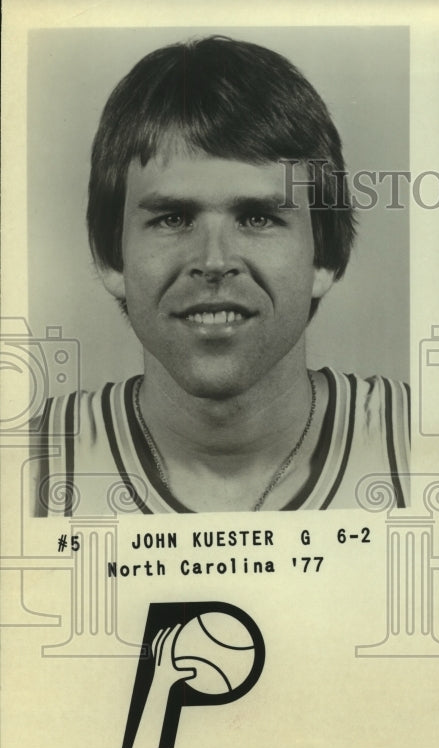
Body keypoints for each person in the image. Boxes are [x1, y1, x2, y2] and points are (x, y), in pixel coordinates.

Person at [31, 36, 410, 515]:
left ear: (325, 257)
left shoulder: (424, 443)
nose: (214, 261)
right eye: (173, 218)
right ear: (112, 257)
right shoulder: (28, 466)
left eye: (256, 218)